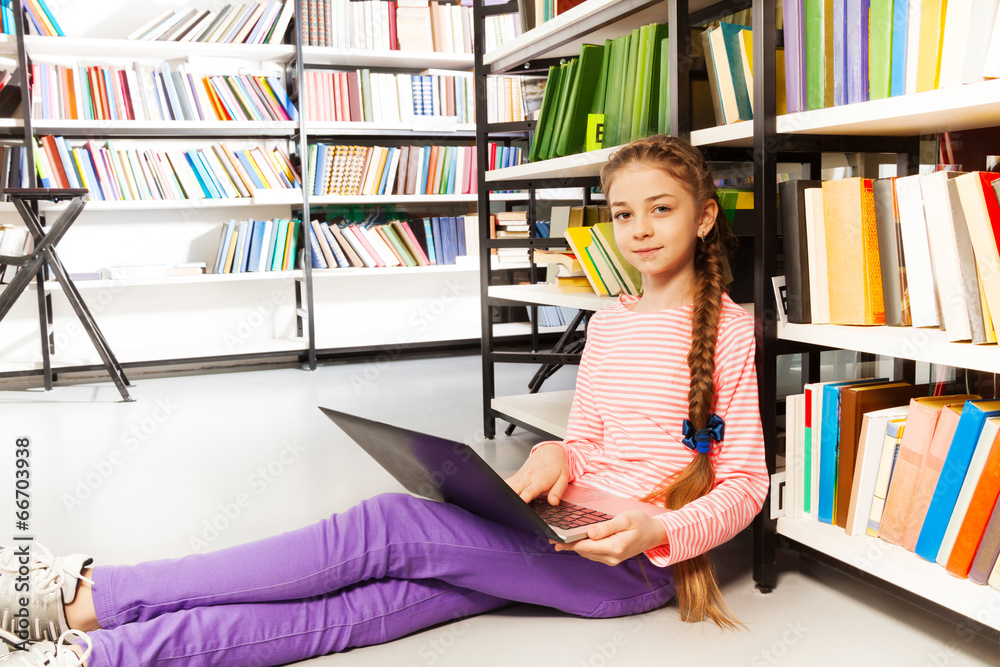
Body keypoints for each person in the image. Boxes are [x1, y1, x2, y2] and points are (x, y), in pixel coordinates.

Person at [0, 134, 767, 667]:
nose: (639, 229)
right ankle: (100, 653)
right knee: (363, 608)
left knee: (390, 525)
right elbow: (589, 437)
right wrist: (554, 451)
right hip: (555, 527)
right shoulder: (608, 321)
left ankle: (89, 596)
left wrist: (655, 527)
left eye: (662, 209)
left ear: (704, 217)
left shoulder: (732, 331)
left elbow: (746, 484)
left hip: (629, 565)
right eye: (623, 213)